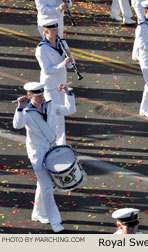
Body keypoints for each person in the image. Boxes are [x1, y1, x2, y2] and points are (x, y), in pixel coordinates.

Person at [13, 82, 76, 232]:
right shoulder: (27, 113)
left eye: (41, 94)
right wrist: (19, 108)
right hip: (38, 155)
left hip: (52, 151)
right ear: (29, 96)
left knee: (43, 185)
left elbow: (70, 109)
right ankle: (55, 222)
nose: (40, 98)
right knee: (48, 186)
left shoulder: (51, 105)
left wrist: (68, 93)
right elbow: (17, 125)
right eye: (37, 96)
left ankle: (38, 213)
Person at [35, 18, 73, 145]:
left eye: (56, 29)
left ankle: (59, 143)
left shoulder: (63, 43)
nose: (56, 32)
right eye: (52, 30)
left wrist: (70, 59)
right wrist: (63, 64)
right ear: (45, 32)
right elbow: (47, 70)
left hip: (62, 84)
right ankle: (57, 144)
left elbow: (71, 65)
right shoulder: (41, 49)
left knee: (60, 116)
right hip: (50, 86)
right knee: (57, 118)